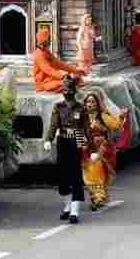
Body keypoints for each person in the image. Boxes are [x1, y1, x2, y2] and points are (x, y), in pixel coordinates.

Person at [43, 75, 91, 223]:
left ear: (74, 91)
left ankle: (75, 212)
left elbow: (86, 129)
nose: (67, 92)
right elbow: (53, 125)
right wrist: (48, 139)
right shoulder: (58, 107)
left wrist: (90, 148)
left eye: (69, 89)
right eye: (64, 89)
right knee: (63, 175)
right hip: (63, 140)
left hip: (76, 138)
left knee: (75, 174)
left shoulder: (81, 108)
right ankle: (67, 206)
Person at [82, 93, 128, 210]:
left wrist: (122, 116)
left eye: (93, 102)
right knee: (89, 175)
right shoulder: (82, 117)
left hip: (102, 149)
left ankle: (98, 197)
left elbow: (116, 126)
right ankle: (97, 196)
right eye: (88, 102)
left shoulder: (103, 116)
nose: (90, 104)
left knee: (97, 172)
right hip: (87, 149)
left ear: (97, 103)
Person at [33, 28, 85, 93]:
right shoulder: (39, 54)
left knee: (76, 77)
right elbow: (48, 70)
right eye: (49, 38)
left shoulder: (46, 51)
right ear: (44, 40)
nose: (50, 41)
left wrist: (76, 70)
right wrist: (63, 76)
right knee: (67, 83)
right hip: (43, 83)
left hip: (51, 79)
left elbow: (59, 64)